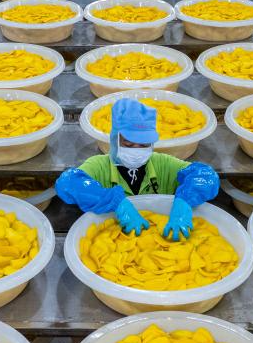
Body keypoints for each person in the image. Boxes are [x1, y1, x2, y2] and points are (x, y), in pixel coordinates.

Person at [55, 98, 219, 241]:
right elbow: (68, 182)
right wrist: (115, 203)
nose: (136, 150)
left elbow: (205, 175)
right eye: (128, 143)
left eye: (143, 144)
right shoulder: (99, 166)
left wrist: (184, 201)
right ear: (115, 139)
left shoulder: (162, 163)